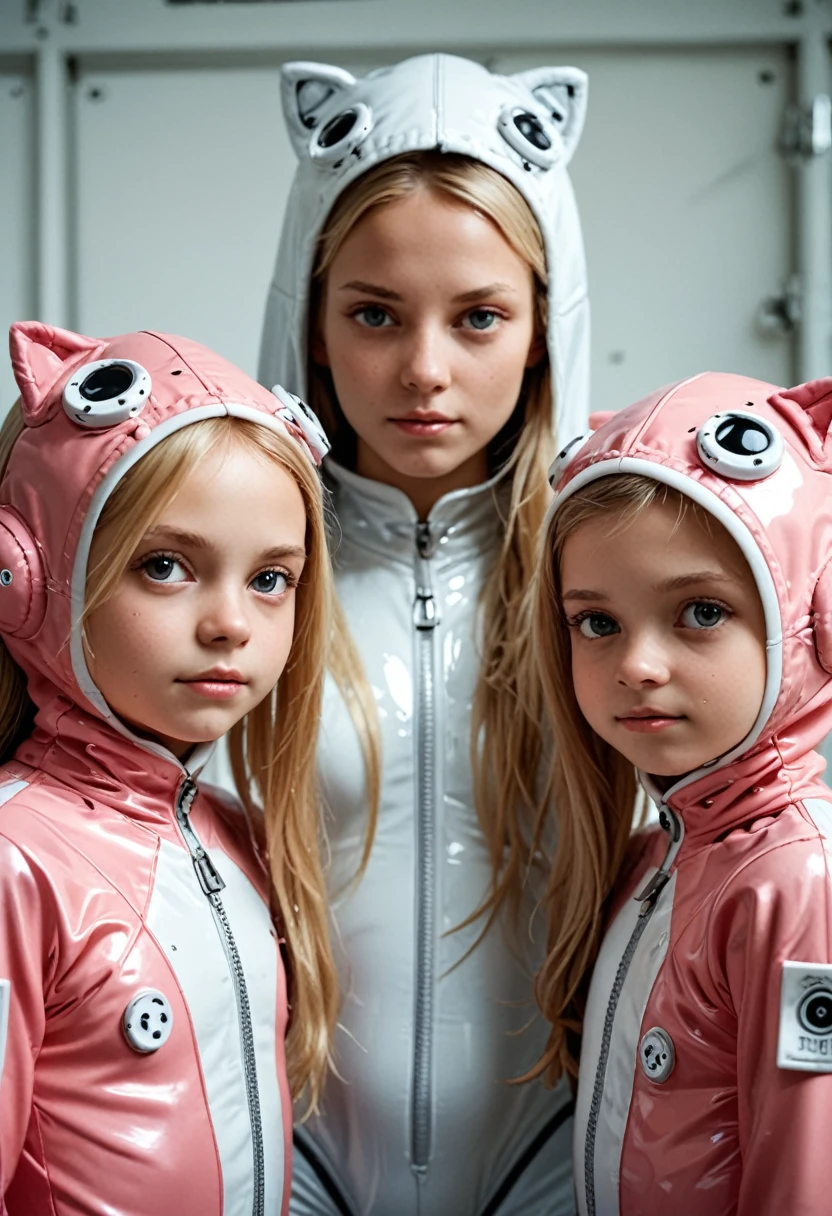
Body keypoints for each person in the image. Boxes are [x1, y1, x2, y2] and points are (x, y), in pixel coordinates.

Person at [254, 52, 590, 1216]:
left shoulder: (616, 587)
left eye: (479, 316)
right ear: (312, 322)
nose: (424, 370)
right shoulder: (229, 590)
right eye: (375, 314)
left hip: (561, 1155)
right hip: (278, 1154)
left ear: (545, 328)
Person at [0, 322, 336, 1215]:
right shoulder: (15, 862)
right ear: (27, 578)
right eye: (165, 566)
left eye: (271, 578)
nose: (231, 621)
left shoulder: (238, 836)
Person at [534, 370, 832, 1215]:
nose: (636, 665)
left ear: (809, 615)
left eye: (700, 612)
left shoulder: (799, 881)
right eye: (598, 622)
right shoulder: (660, 852)